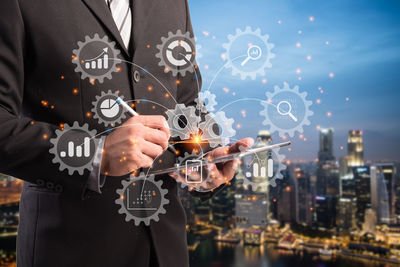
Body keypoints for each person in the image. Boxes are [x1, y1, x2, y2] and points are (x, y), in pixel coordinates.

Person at [0, 0, 253, 266]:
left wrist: (205, 160)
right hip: (70, 249)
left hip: (167, 249)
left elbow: (186, 103)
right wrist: (96, 154)